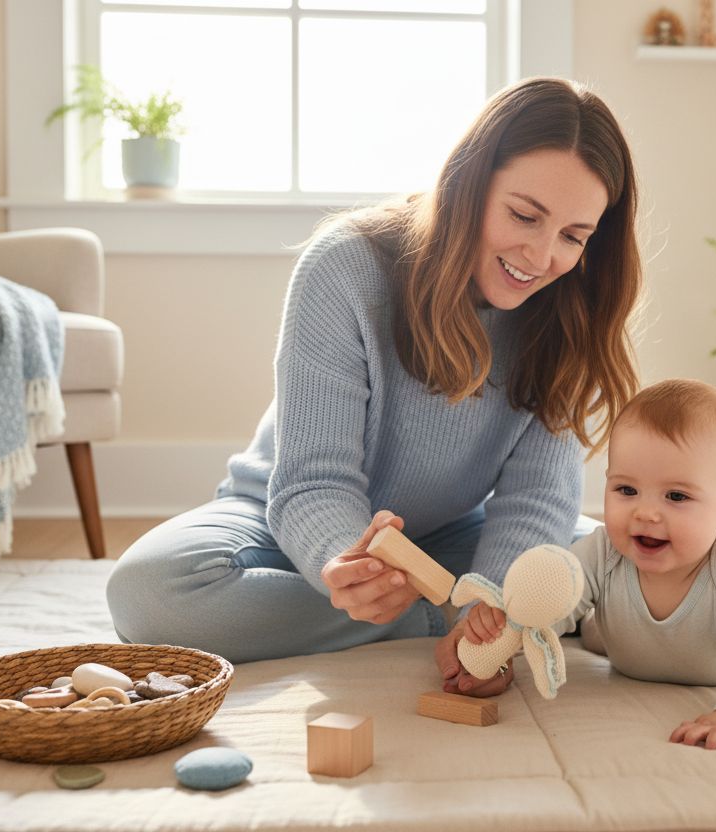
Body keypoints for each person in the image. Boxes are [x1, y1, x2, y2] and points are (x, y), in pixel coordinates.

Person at [105, 77, 643, 695]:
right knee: (149, 593)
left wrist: (485, 623)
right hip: (286, 520)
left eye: (574, 236)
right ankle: (433, 620)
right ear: (470, 186)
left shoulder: (568, 311)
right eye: (524, 215)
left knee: (635, 560)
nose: (542, 255)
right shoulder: (347, 266)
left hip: (454, 534)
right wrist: (346, 567)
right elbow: (313, 481)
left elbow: (536, 501)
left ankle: (483, 612)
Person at [461, 379, 716, 748]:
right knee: (591, 630)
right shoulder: (603, 551)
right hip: (629, 642)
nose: (645, 513)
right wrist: (496, 644)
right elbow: (547, 606)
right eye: (626, 490)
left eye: (676, 496)